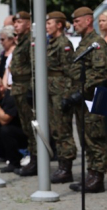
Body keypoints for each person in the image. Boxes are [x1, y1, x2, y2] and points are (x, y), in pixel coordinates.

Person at [65, 7, 107, 193]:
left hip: (94, 98)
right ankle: (91, 174)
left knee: (95, 138)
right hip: (83, 100)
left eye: (77, 21)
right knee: (85, 138)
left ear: (88, 21)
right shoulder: (84, 43)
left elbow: (101, 72)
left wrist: (83, 89)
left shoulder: (97, 43)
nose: (74, 24)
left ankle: (97, 177)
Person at [44, 12, 77, 184]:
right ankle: (62, 166)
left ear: (59, 25)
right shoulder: (51, 43)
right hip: (52, 90)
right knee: (56, 129)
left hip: (60, 91)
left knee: (63, 130)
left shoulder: (64, 43)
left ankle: (66, 168)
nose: (46, 26)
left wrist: (67, 95)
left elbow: (70, 72)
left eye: (49, 23)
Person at [9, 11, 36, 177]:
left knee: (32, 126)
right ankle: (33, 158)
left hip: (26, 88)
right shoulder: (21, 42)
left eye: (19, 22)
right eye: (15, 22)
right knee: (26, 126)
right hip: (19, 88)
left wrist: (32, 89)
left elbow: (35, 67)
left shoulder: (30, 41)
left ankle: (36, 160)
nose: (16, 25)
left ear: (28, 23)